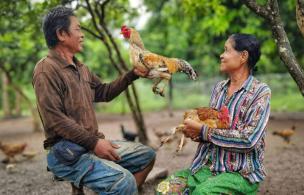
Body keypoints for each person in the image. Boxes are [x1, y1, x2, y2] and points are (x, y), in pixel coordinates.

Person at [32, 6, 155, 195]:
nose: (82, 35)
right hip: (66, 153)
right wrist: (95, 143)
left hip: (89, 144)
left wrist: (132, 75)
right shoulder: (46, 70)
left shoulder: (81, 68)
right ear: (61, 34)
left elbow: (103, 92)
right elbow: (54, 120)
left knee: (146, 156)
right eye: (78, 29)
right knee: (124, 181)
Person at [156, 34, 271, 195]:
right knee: (164, 190)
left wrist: (204, 132)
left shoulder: (260, 92)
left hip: (239, 174)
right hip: (204, 169)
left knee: (202, 193)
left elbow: (249, 139)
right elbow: (210, 129)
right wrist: (195, 133)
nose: (221, 55)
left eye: (226, 50)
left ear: (243, 56)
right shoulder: (219, 88)